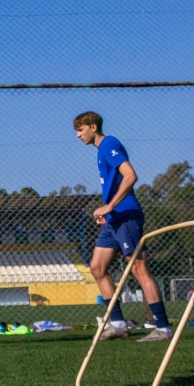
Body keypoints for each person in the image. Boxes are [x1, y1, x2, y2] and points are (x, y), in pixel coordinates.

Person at [73, 111, 173, 342]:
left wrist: (110, 206)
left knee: (139, 270)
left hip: (126, 215)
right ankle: (118, 324)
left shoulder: (109, 144)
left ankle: (163, 327)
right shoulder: (101, 151)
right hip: (114, 219)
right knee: (97, 268)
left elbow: (130, 175)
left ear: (93, 127)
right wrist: (108, 211)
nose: (78, 135)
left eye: (81, 130)